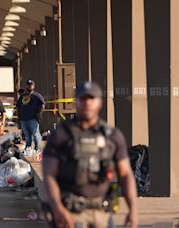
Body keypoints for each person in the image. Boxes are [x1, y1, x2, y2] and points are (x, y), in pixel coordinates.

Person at [42, 81, 138, 228]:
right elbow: (49, 174)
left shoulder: (112, 136)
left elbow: (125, 174)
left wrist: (133, 209)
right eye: (83, 99)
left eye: (92, 99)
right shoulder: (61, 135)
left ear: (100, 102)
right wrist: (57, 208)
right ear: (76, 102)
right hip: (71, 213)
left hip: (103, 213)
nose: (87, 103)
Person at [16, 80, 45, 152]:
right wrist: (19, 117)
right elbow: (18, 106)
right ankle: (28, 149)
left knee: (35, 134)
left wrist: (39, 113)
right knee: (27, 135)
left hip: (33, 118)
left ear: (34, 86)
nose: (29, 86)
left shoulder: (37, 95)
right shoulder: (22, 96)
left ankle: (38, 149)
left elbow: (42, 105)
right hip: (23, 119)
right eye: (28, 85)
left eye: (31, 85)